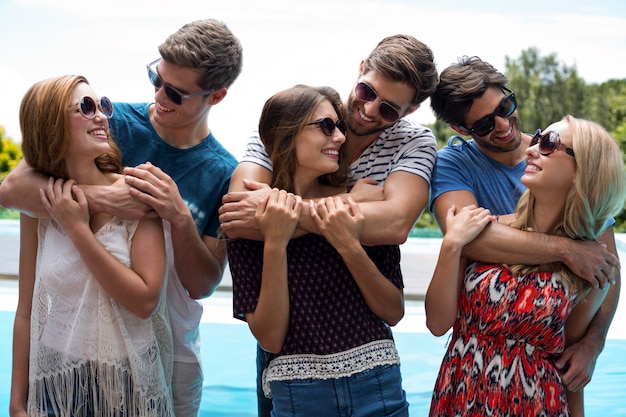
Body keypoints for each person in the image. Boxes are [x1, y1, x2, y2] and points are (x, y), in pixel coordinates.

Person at [0, 19, 243, 417]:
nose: (160, 96)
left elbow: (203, 284)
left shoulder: (222, 173)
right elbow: (12, 188)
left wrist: (178, 215)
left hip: (169, 349)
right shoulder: (111, 124)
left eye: (177, 93)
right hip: (65, 365)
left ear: (215, 96)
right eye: (156, 78)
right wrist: (100, 199)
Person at [217, 34, 438, 415]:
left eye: (388, 110)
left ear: (411, 110)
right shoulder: (296, 115)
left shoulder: (413, 143)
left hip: (374, 375)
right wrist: (352, 205)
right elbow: (240, 214)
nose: (367, 111)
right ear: (361, 68)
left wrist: (289, 217)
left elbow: (396, 224)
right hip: (291, 368)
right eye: (366, 91)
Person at [428, 56, 620, 415]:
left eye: (506, 106)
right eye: (485, 123)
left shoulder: (556, 154)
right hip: (462, 389)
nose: (504, 125)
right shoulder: (455, 165)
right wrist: (564, 249)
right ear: (461, 129)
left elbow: (602, 266)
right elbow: (471, 239)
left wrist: (594, 345)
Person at [9, 75, 173, 417]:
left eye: (103, 106)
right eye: (86, 107)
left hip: (125, 383)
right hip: (56, 380)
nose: (101, 116)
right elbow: (25, 309)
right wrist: (17, 400)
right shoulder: (38, 205)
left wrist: (78, 230)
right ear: (51, 123)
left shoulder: (136, 196)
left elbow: (146, 301)